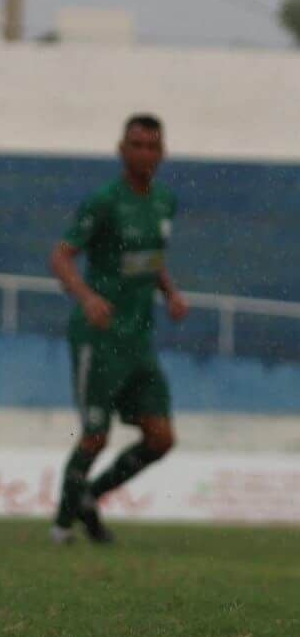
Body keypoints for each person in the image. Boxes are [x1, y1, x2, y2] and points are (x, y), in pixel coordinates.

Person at [49, 114, 186, 544]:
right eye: (136, 144)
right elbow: (61, 257)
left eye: (152, 145)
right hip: (99, 337)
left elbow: (151, 258)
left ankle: (89, 496)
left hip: (138, 340)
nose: (144, 153)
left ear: (161, 153)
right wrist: (87, 297)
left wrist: (171, 292)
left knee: (161, 438)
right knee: (94, 435)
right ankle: (60, 528)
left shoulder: (165, 201)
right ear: (121, 150)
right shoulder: (105, 201)